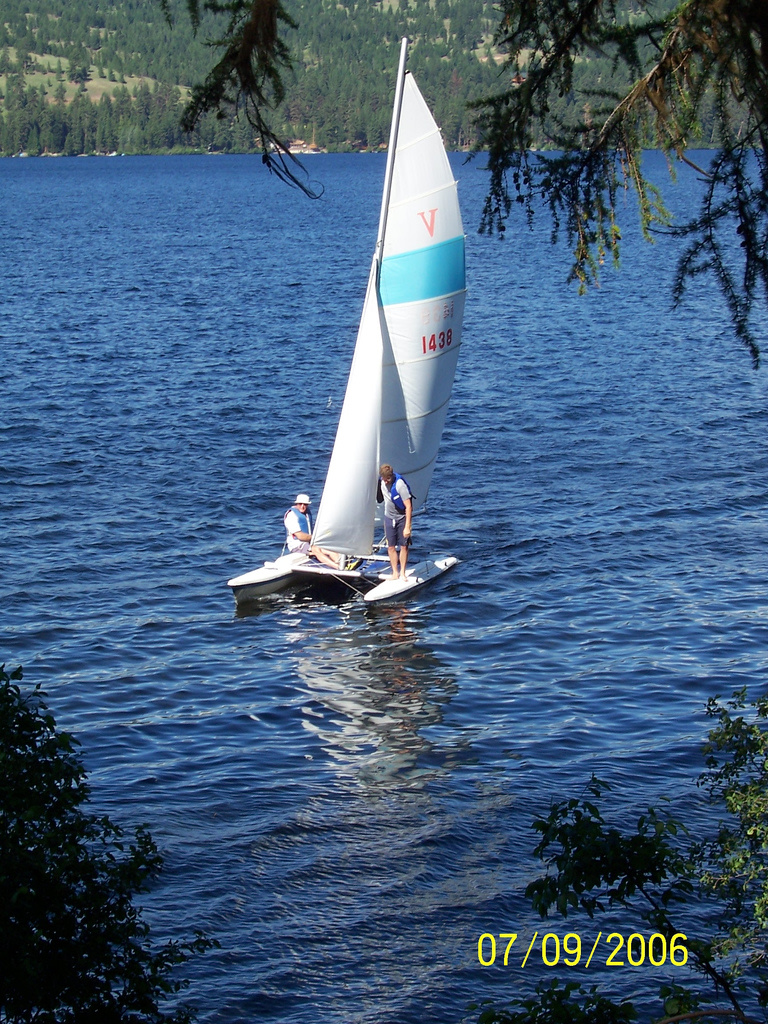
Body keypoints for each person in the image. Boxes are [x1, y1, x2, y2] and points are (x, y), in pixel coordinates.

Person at [283, 494, 341, 569]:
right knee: (316, 549)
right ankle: (338, 567)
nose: (302, 506)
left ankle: (342, 564)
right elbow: (300, 536)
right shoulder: (291, 516)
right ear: (296, 504)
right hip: (297, 545)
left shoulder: (306, 513)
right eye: (300, 504)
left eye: (305, 504)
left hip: (309, 543)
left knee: (330, 548)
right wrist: (316, 538)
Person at [378, 464, 413, 580]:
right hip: (389, 517)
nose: (386, 481)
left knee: (404, 546)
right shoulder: (382, 482)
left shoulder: (399, 485)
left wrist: (407, 526)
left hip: (401, 518)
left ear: (391, 476)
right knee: (391, 547)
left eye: (387, 479)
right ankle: (395, 573)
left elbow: (408, 506)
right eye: (384, 479)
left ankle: (402, 572)